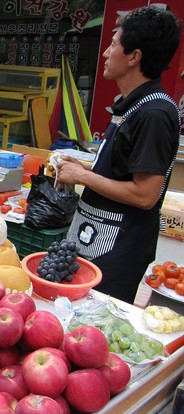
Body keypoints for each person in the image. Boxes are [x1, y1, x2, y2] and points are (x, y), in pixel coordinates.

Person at [56, 6, 181, 304]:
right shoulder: (132, 105)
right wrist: (84, 167)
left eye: (113, 44)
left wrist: (83, 176)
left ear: (134, 56)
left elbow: (145, 195)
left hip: (116, 250)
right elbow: (122, 169)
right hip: (94, 238)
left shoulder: (154, 113)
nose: (105, 53)